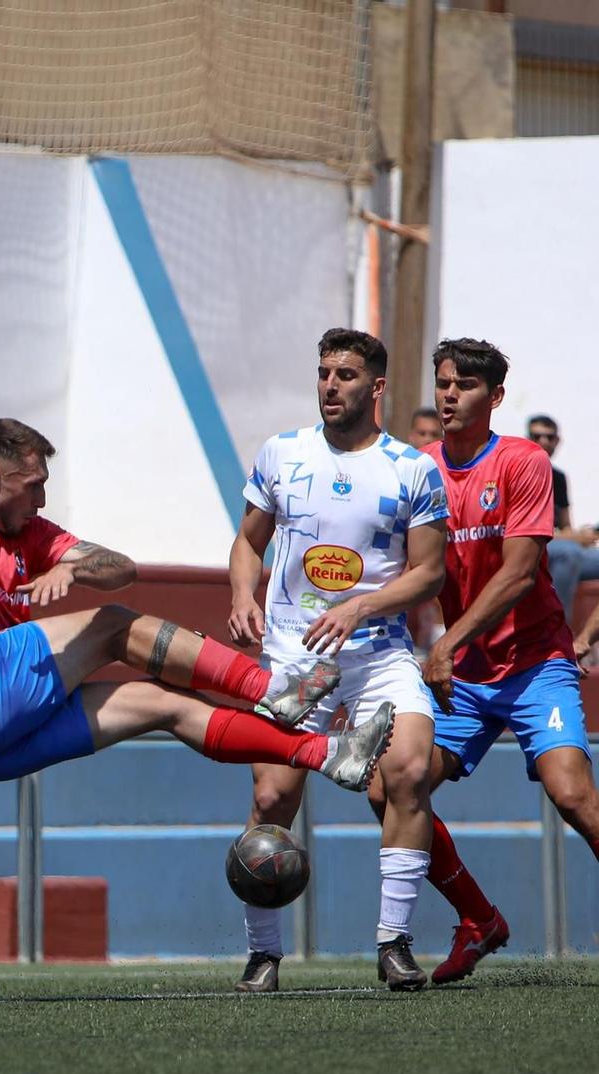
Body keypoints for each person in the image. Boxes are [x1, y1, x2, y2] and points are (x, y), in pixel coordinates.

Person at [0, 307, 394, 798]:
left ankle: (327, 754)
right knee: (114, 624)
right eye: (35, 486)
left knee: (163, 704)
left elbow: (122, 569)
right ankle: (273, 688)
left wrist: (75, 568)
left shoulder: (32, 534)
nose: (43, 499)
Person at [225, 329, 449, 993]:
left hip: (377, 654)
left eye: (345, 375)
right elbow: (247, 541)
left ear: (376, 386)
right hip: (295, 653)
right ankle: (263, 954)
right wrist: (242, 591)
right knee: (271, 795)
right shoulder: (282, 453)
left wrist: (361, 607)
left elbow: (430, 572)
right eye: (324, 372)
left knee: (409, 770)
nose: (330, 385)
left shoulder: (411, 468)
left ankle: (394, 944)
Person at [406, 339, 599, 984]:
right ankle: (479, 920)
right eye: (442, 384)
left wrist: (446, 641)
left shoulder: (523, 462)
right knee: (393, 788)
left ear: (496, 397)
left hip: (534, 662)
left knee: (572, 794)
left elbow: (519, 575)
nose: (449, 395)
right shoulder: (419, 468)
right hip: (463, 672)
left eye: (463, 385)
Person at [530, 414, 599, 619]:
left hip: (561, 546)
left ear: (557, 441)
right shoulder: (518, 473)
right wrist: (573, 539)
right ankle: (554, 632)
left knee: (572, 553)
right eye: (537, 436)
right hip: (534, 548)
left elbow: (566, 525)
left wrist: (584, 535)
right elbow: (528, 533)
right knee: (568, 553)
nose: (544, 442)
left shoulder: (558, 478)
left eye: (550, 437)